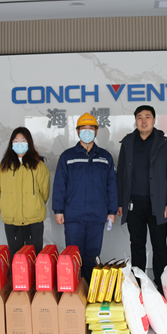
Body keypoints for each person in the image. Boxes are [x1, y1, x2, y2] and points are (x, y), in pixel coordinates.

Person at [117, 105, 167, 290]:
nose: (143, 121)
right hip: (133, 204)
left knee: (159, 246)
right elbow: (121, 175)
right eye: (139, 117)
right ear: (135, 121)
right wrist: (120, 202)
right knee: (137, 245)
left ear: (154, 120)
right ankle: (139, 284)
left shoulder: (164, 143)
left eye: (147, 117)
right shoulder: (128, 143)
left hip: (158, 205)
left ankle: (161, 285)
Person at [52, 113, 118, 284]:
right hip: (73, 215)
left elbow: (111, 185)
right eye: (83, 129)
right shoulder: (67, 156)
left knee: (92, 256)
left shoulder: (105, 157)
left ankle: (89, 289)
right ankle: (73, 290)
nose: (87, 132)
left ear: (96, 131)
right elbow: (59, 185)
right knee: (73, 256)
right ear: (77, 131)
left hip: (97, 215)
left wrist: (112, 211)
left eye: (91, 129)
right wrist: (58, 210)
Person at [0, 127, 50, 257]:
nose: (19, 144)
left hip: (33, 219)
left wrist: (34, 204)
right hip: (12, 220)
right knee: (16, 259)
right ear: (11, 143)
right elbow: (0, 190)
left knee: (34, 257)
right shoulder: (4, 166)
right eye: (16, 141)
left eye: (23, 140)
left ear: (29, 143)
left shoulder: (39, 165)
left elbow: (44, 193)